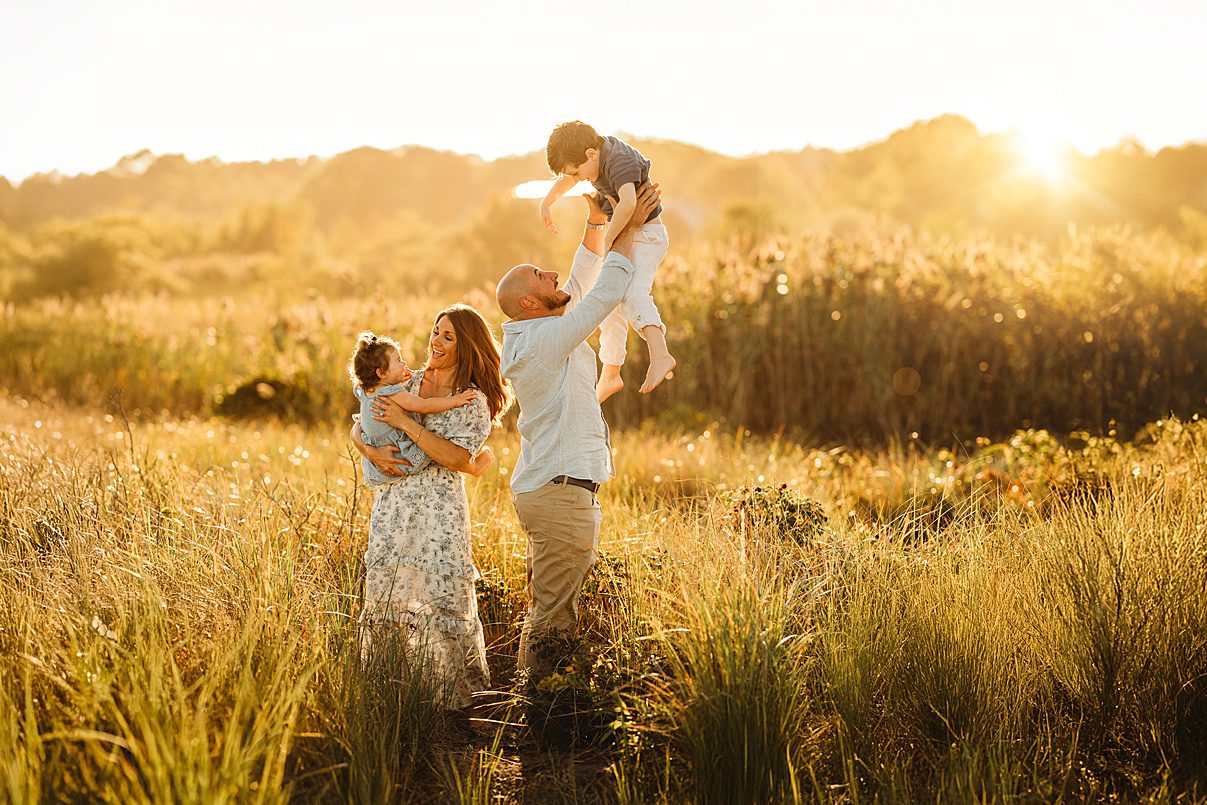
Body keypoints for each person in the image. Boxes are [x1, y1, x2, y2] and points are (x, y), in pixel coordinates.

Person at [497, 180, 662, 677]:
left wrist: (595, 223)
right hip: (560, 492)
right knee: (553, 615)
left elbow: (579, 282)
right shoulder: (546, 338)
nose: (550, 273)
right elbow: (602, 295)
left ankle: (540, 699)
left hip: (555, 489)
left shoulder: (537, 331)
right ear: (530, 303)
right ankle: (541, 712)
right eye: (538, 276)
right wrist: (625, 233)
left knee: (548, 607)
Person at [349, 305, 512, 709]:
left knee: (440, 596)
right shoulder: (409, 381)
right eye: (436, 332)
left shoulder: (472, 403)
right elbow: (361, 420)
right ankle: (393, 691)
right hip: (394, 505)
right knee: (391, 594)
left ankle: (450, 701)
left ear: (467, 347)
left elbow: (457, 459)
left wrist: (408, 425)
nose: (435, 342)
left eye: (448, 337)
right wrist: (367, 447)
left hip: (438, 509)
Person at [539, 121, 676, 402]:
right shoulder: (597, 157)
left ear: (591, 154)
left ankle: (660, 354)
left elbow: (628, 204)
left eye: (578, 173)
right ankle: (611, 372)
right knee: (608, 298)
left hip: (647, 237)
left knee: (632, 295)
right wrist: (546, 202)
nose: (579, 179)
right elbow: (568, 179)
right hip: (628, 234)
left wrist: (609, 241)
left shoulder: (619, 160)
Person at [347, 330, 489, 487]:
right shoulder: (392, 391)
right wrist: (455, 400)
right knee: (433, 450)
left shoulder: (365, 390)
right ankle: (473, 467)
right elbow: (424, 405)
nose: (404, 364)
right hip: (401, 458)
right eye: (399, 360)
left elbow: (362, 422)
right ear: (381, 373)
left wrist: (368, 449)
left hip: (376, 469)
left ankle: (473, 467)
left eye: (447, 337)